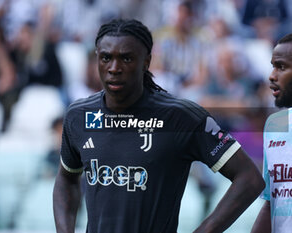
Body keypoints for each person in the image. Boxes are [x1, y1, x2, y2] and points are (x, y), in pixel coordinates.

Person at [53, 19, 264, 233]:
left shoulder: (181, 117)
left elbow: (249, 178)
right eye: (106, 58)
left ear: (146, 62)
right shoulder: (79, 116)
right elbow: (66, 178)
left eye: (126, 58)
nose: (114, 68)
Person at [251, 33, 292, 232]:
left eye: (281, 67)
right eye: (273, 66)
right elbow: (271, 203)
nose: (272, 75)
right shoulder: (275, 125)